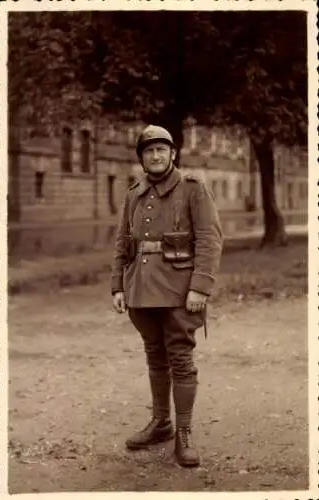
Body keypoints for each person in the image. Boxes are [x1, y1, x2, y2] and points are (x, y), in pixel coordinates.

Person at [111, 124, 223, 467]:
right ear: (142, 158)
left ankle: (184, 434)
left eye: (161, 150)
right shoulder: (134, 192)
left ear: (173, 153)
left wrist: (200, 288)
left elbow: (209, 239)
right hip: (140, 291)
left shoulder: (193, 188)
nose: (156, 156)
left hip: (178, 291)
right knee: (154, 357)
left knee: (181, 360)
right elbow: (123, 241)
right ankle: (161, 423)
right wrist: (117, 285)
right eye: (149, 151)